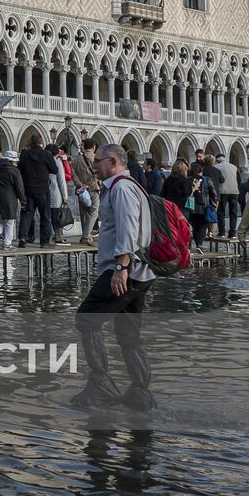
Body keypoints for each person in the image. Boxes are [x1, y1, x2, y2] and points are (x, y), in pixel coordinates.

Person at [72, 143, 155, 411]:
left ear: (113, 162)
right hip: (140, 272)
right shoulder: (127, 187)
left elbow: (128, 229)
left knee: (86, 319)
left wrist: (121, 268)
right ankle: (140, 392)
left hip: (124, 271)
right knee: (129, 333)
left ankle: (101, 385)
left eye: (98, 161)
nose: (94, 166)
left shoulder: (121, 189)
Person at [17, 133, 53, 248]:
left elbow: (19, 170)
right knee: (45, 215)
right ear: (41, 143)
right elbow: (55, 169)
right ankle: (44, 241)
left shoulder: (24, 154)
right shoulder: (46, 154)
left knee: (27, 214)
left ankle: (23, 237)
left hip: (28, 189)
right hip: (43, 189)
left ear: (31, 142)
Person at [0, 150, 26, 249]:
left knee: (2, 219)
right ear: (12, 161)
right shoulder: (14, 171)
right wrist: (23, 200)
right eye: (16, 161)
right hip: (10, 198)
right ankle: (7, 243)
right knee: (10, 221)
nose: (17, 163)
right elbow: (19, 187)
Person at [73, 140, 101, 244]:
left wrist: (80, 184)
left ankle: (86, 235)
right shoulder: (96, 158)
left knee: (83, 213)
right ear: (94, 147)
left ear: (84, 147)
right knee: (93, 211)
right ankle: (86, 236)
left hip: (82, 190)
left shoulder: (77, 159)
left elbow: (72, 173)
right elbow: (100, 173)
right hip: (93, 187)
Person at [213, 151, 242, 239]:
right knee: (233, 212)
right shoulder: (234, 167)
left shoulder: (216, 167)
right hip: (234, 191)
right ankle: (232, 233)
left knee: (221, 212)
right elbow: (239, 179)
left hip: (222, 191)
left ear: (217, 160)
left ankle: (221, 232)